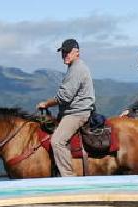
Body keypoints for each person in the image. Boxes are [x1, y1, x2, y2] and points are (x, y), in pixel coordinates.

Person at [36, 39, 95, 177]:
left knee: (57, 141)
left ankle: (68, 177)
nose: (65, 55)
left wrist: (46, 104)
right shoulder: (74, 67)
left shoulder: (77, 69)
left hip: (77, 113)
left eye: (67, 52)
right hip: (71, 111)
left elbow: (64, 97)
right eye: (63, 52)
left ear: (77, 52)